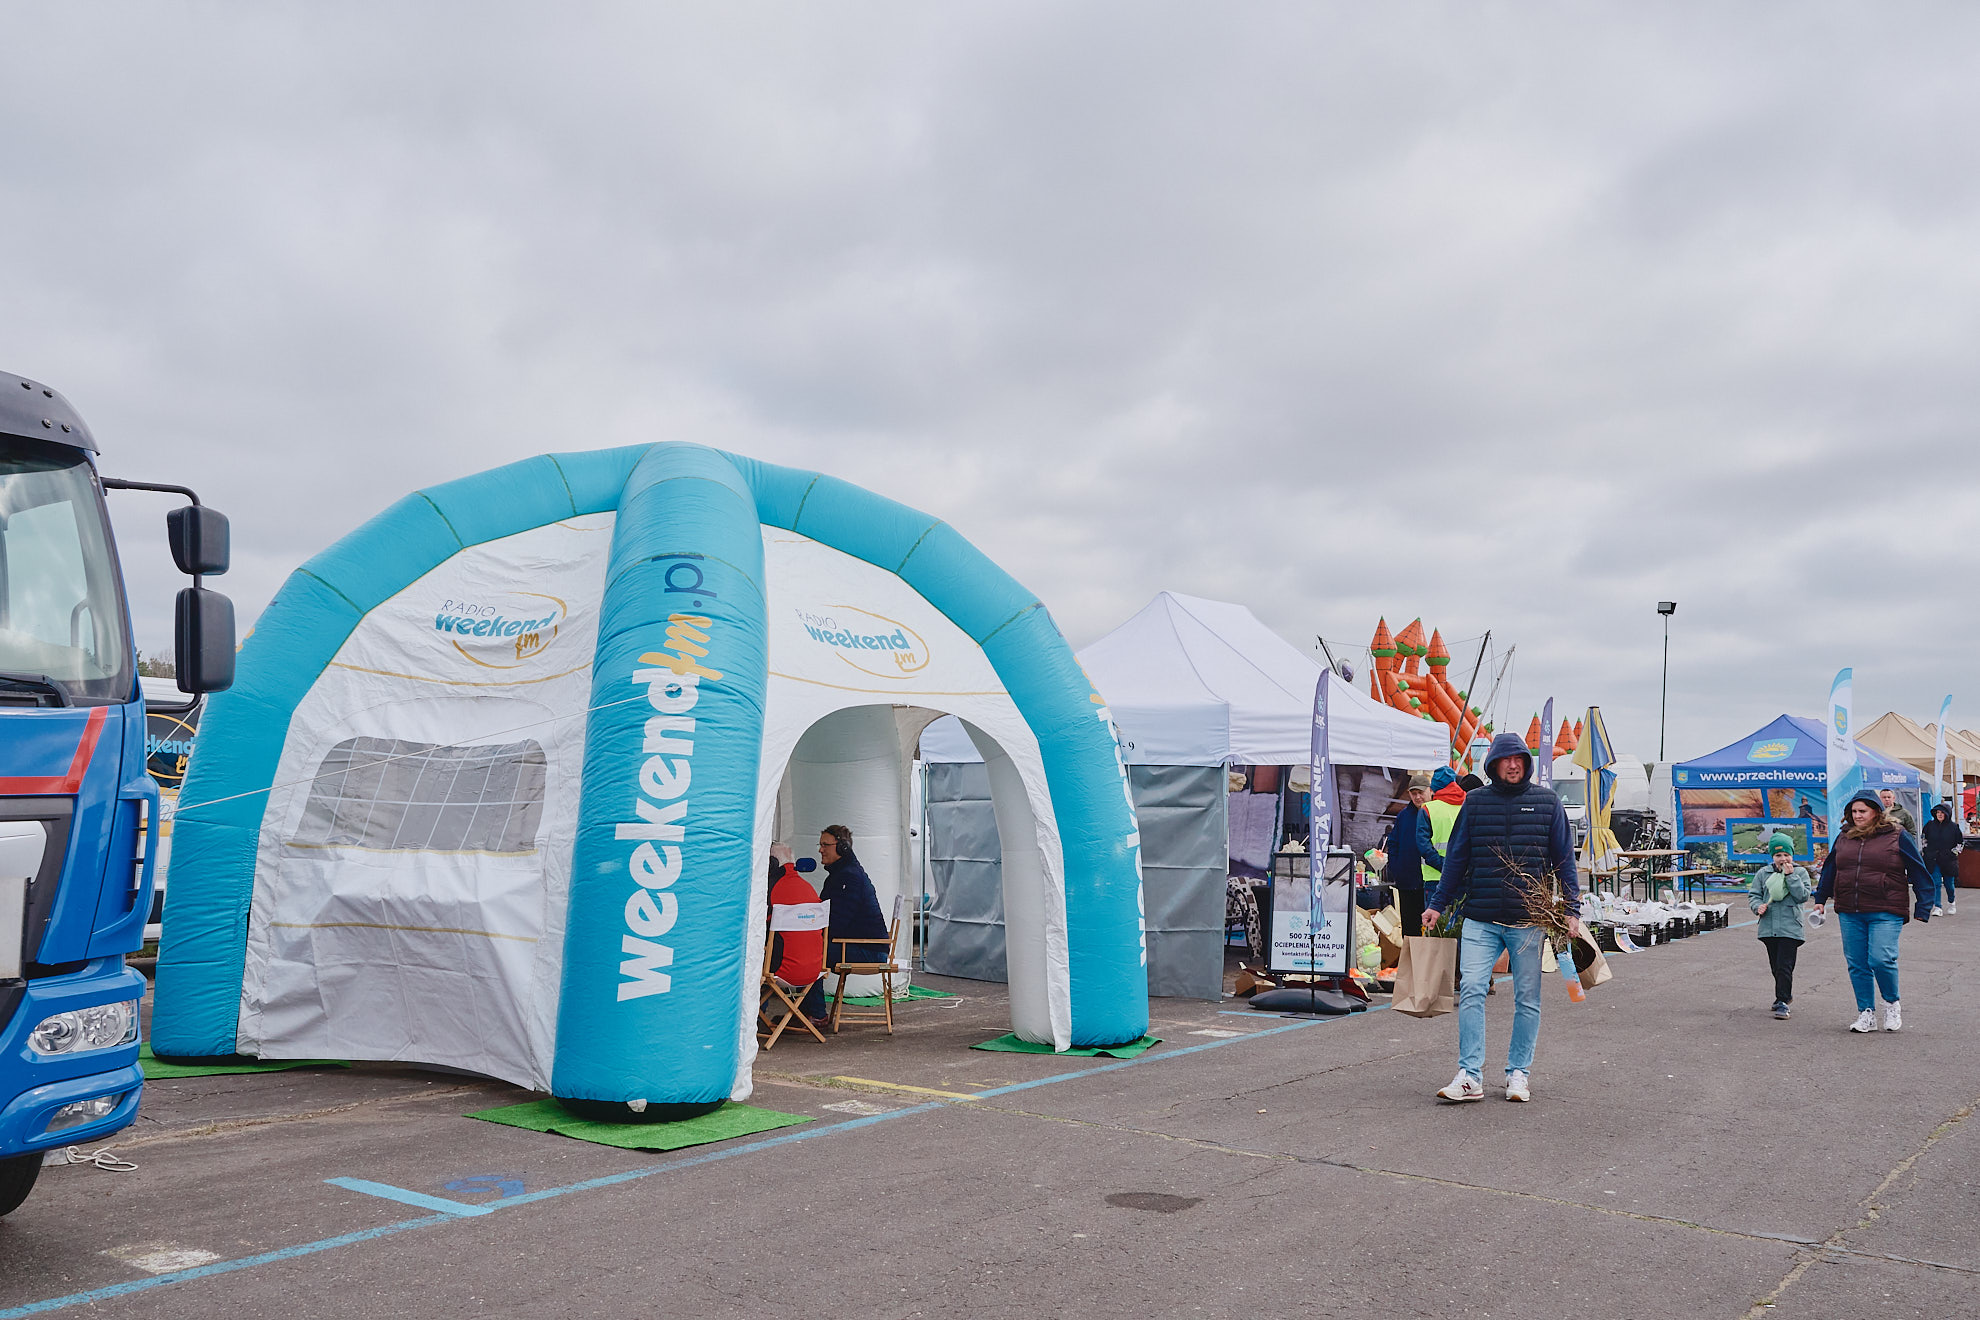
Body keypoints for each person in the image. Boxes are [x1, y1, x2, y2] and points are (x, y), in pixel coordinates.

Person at [1422, 731, 1582, 1104]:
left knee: (1527, 998)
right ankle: (1470, 1075)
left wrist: (1572, 909)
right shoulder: (1475, 802)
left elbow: (1564, 861)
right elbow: (1457, 858)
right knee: (1472, 990)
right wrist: (1438, 903)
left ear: (1526, 763)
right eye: (1505, 760)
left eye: (1519, 759)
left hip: (1528, 922)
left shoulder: (1547, 802)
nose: (1512, 765)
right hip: (1480, 917)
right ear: (1493, 764)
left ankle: (1518, 1073)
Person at [1811, 789, 1935, 1033]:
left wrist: (1924, 905)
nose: (1857, 816)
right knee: (1857, 963)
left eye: (1862, 811)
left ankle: (1891, 1003)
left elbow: (1918, 869)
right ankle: (1866, 1012)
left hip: (1886, 908)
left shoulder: (1897, 835)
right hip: (1850, 908)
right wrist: (1820, 898)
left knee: (1881, 958)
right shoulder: (1844, 836)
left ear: (1876, 812)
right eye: (1854, 811)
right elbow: (1831, 868)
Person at [764, 844, 829, 1026]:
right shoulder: (808, 888)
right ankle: (815, 1012)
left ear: (771, 863)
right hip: (814, 971)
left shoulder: (770, 889)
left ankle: (754, 1017)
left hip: (781, 971)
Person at [1748, 834, 1811, 1019]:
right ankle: (1783, 995)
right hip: (1769, 926)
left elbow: (1802, 896)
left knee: (1785, 966)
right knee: (1775, 966)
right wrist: (1757, 906)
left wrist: (1791, 877)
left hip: (1790, 927)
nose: (1783, 859)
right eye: (1778, 855)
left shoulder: (1800, 873)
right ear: (1772, 857)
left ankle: (1782, 1001)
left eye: (1786, 854)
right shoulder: (1763, 873)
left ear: (1792, 855)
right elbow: (1754, 895)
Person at [818, 824, 890, 970]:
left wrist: (811, 935)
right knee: (807, 947)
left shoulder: (849, 877)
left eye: (825, 845)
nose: (820, 850)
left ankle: (811, 987)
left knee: (808, 950)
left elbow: (837, 922)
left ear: (842, 848)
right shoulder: (842, 874)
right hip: (859, 946)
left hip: (870, 951)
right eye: (820, 845)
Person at [1382, 772, 1443, 938]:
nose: (1417, 797)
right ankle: (1411, 956)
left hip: (1432, 882)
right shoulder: (1403, 816)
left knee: (1433, 931)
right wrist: (1397, 868)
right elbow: (1393, 843)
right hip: (1408, 882)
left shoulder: (1437, 813)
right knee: (1410, 931)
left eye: (1420, 792)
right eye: (1413, 793)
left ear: (1430, 791)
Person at [1922, 803, 1961, 917]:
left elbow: (1960, 843)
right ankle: (1937, 906)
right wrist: (1926, 851)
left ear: (1947, 814)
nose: (1939, 815)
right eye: (1937, 812)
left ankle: (1951, 902)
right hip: (1933, 858)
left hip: (1948, 860)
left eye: (1942, 813)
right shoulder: (1929, 825)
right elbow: (1924, 839)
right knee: (1936, 883)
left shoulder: (1954, 827)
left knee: (1949, 885)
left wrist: (1953, 853)